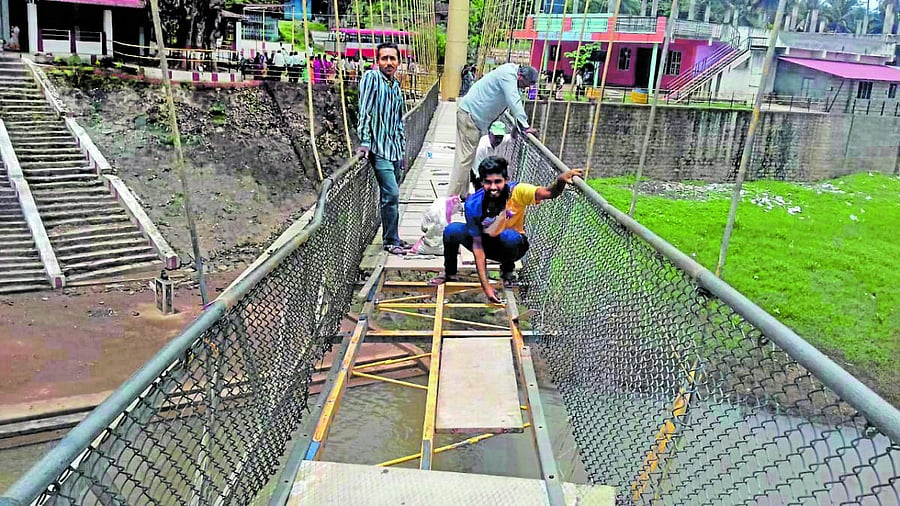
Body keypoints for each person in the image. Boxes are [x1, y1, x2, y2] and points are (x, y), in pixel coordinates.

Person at [431, 156, 583, 302]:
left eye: (498, 182)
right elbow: (477, 247)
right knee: (452, 230)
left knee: (510, 236)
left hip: (510, 245)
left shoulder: (518, 191)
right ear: (481, 182)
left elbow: (549, 193)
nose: (493, 187)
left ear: (506, 180)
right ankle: (450, 273)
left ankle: (507, 270)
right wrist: (487, 286)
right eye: (488, 182)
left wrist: (561, 180)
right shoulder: (473, 204)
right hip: (484, 242)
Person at [448, 63, 539, 199]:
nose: (525, 88)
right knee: (464, 160)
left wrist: (520, 125)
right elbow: (514, 101)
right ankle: (449, 201)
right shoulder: (508, 76)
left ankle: (463, 194)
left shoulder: (510, 72)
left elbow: (514, 100)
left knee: (466, 158)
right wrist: (525, 127)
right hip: (471, 117)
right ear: (520, 77)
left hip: (471, 116)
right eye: (525, 85)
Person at [356, 42, 409, 256]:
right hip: (379, 149)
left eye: (392, 58)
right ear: (377, 61)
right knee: (392, 194)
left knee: (391, 196)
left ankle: (393, 236)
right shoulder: (372, 78)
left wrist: (403, 149)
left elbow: (398, 121)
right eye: (384, 58)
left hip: (395, 150)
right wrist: (365, 142)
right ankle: (389, 241)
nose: (388, 62)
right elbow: (365, 110)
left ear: (398, 62)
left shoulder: (395, 86)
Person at [470, 121, 512, 189]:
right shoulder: (482, 147)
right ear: (489, 134)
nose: (498, 140)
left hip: (491, 169)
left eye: (500, 137)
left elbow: (512, 137)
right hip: (478, 172)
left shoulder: (501, 140)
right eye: (496, 137)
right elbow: (477, 170)